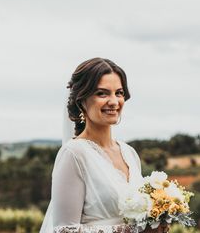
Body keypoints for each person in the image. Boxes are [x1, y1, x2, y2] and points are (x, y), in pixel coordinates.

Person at [39, 58, 170, 233]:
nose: (114, 101)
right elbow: (64, 230)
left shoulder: (129, 154)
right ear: (81, 100)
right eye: (102, 93)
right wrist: (132, 231)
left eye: (119, 93)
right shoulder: (74, 154)